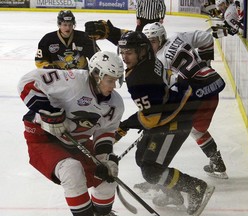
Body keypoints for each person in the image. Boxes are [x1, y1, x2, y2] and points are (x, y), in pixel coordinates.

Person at [116, 31, 215, 215]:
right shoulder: (149, 60)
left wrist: (124, 126)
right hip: (169, 113)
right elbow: (152, 111)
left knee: (151, 171)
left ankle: (196, 187)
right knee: (142, 158)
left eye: (129, 52)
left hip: (174, 123)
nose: (124, 57)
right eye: (122, 52)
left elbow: (152, 117)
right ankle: (172, 194)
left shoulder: (138, 79)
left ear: (141, 51)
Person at [18, 51, 125, 216]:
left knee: (108, 176)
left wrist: (105, 159)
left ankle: (101, 214)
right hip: (43, 139)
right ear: (96, 75)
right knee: (71, 170)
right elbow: (27, 82)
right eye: (110, 80)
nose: (113, 86)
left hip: (76, 142)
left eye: (116, 80)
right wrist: (49, 112)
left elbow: (105, 131)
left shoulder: (115, 104)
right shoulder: (72, 81)